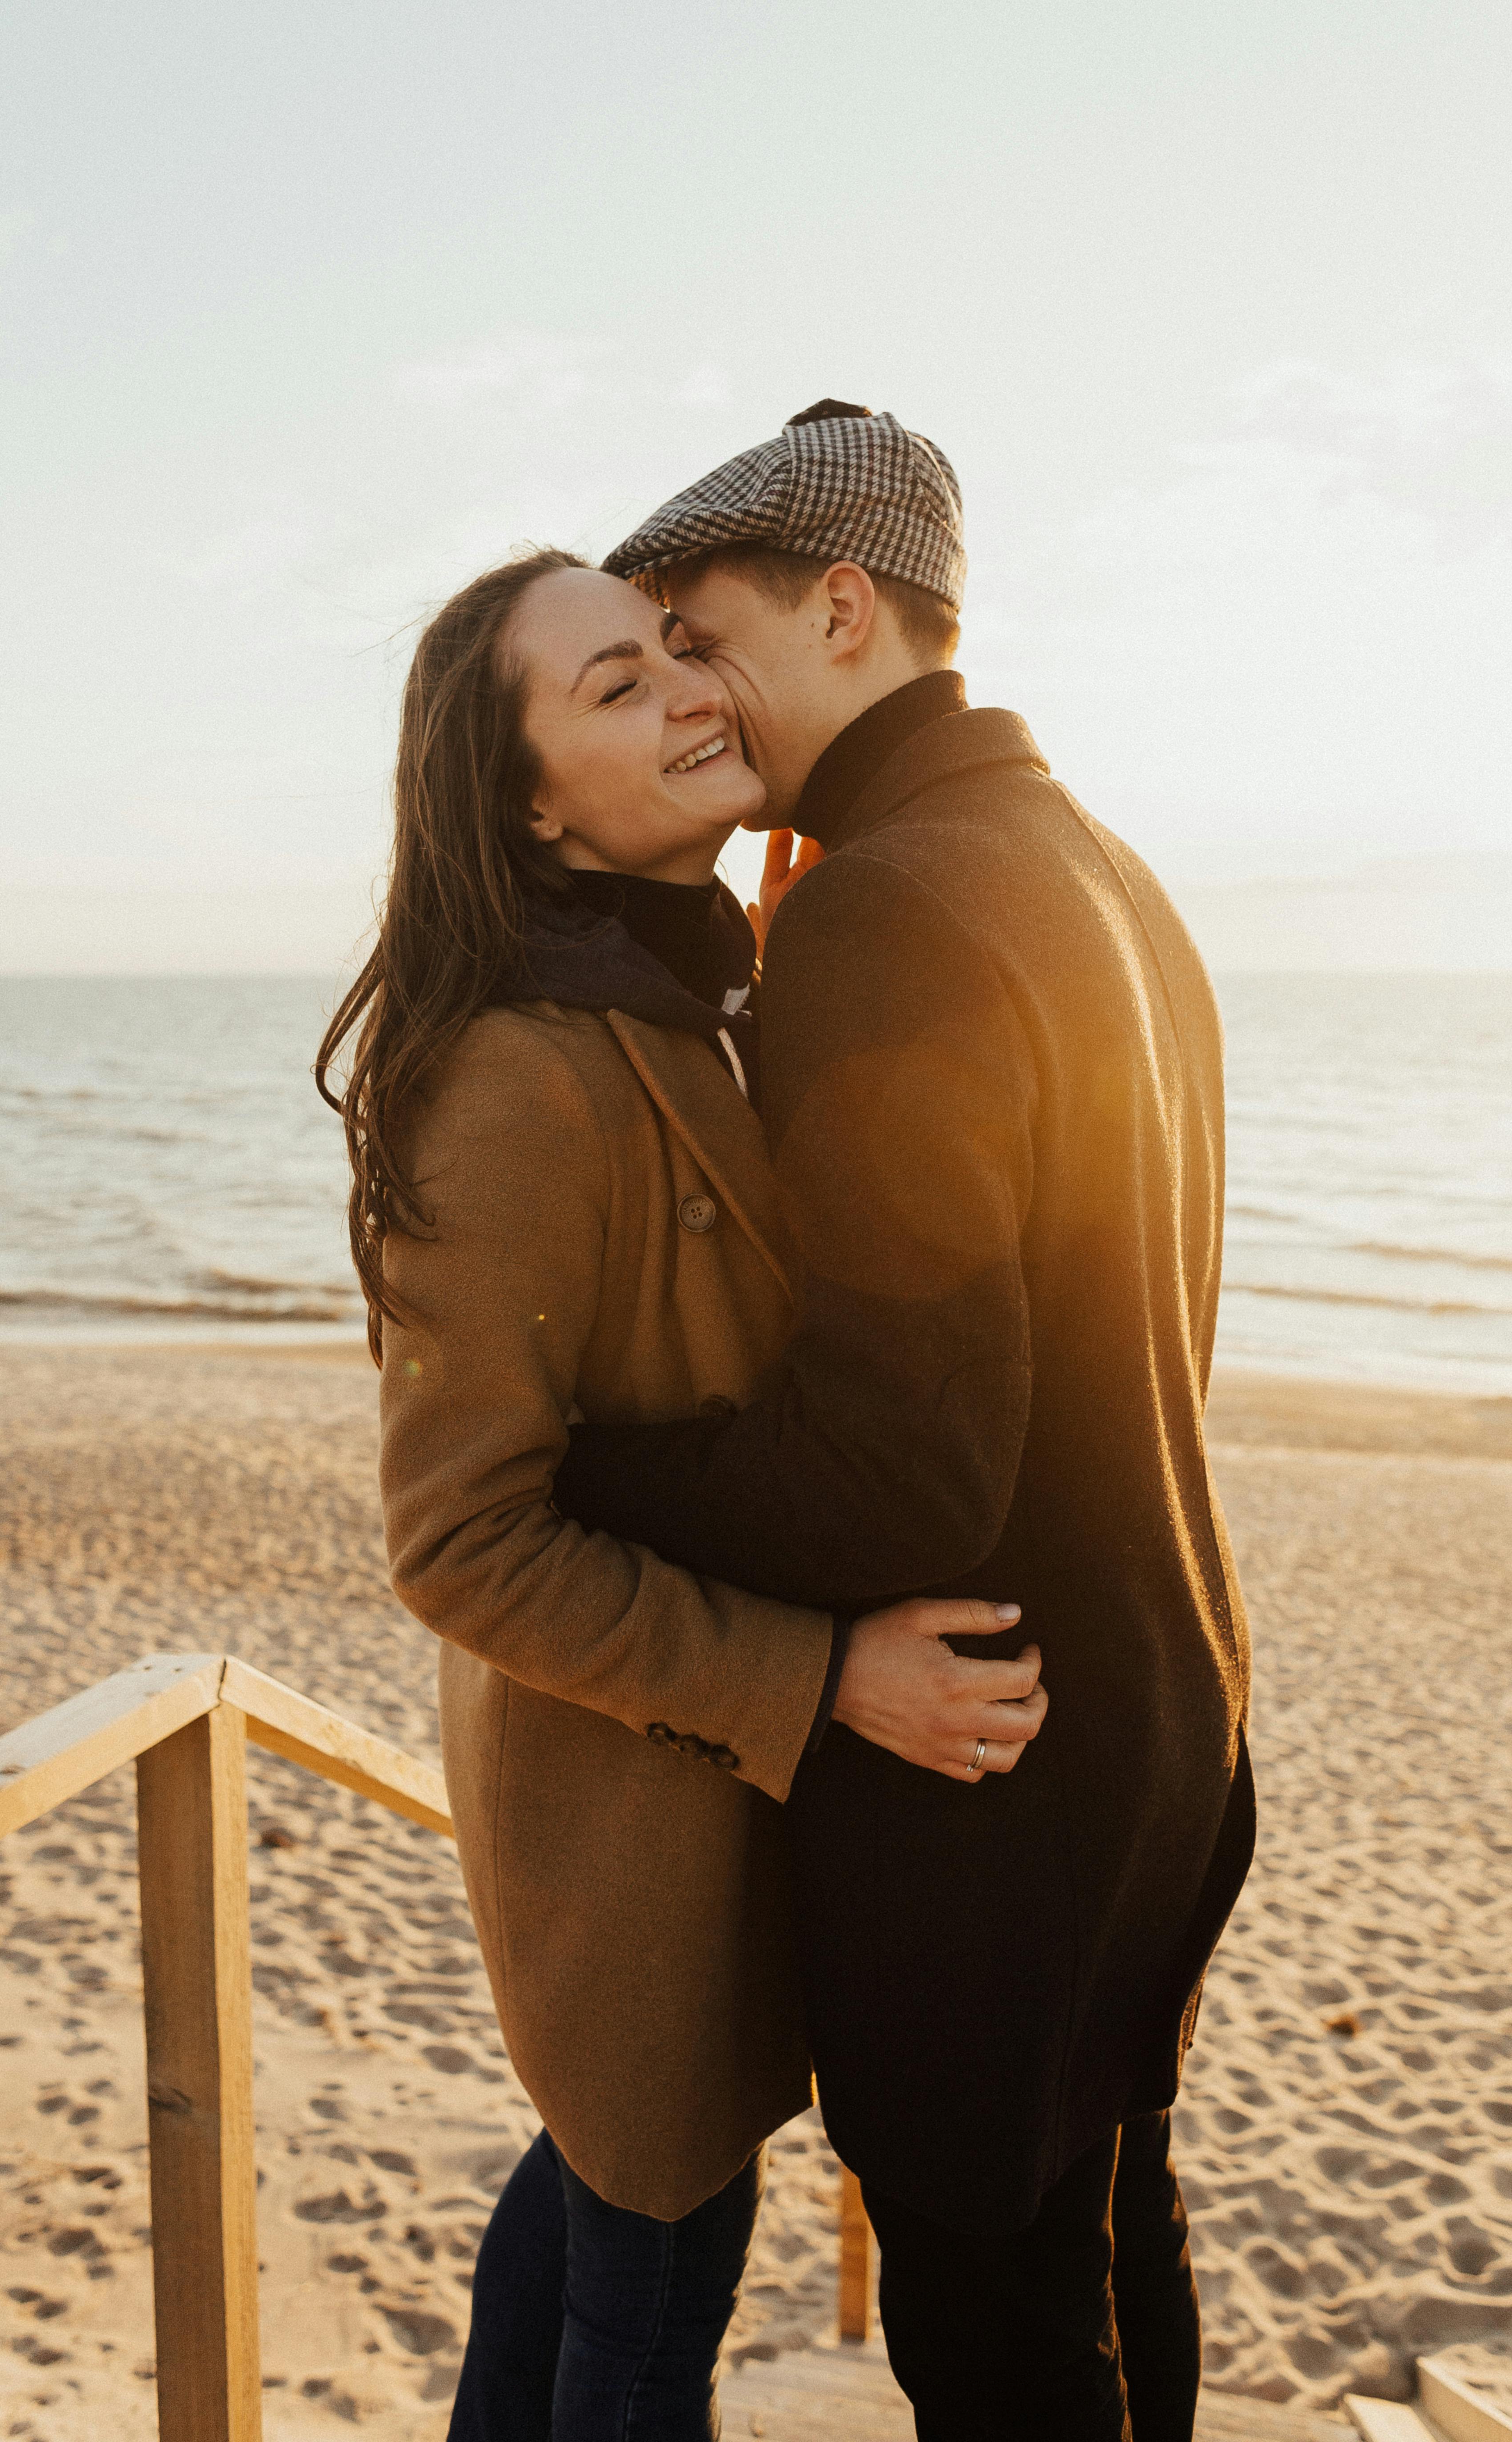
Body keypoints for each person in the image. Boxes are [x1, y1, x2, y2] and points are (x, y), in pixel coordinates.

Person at [550, 401, 1258, 2441]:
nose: (682, 688)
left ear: (843, 609)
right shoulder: (1103, 868)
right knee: (1118, 2250)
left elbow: (899, 1469)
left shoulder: (881, 905)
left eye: (697, 633)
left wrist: (582, 1461)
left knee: (1009, 2354)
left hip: (998, 1784)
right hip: (1169, 1728)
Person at [315, 546, 1048, 2442]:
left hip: (709, 1844)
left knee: (582, 2234)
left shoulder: (678, 991)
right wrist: (823, 1681)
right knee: (645, 2326)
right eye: (614, 691)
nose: (685, 697)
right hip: (639, 1853)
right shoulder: (513, 1080)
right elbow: (459, 1539)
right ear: (530, 803)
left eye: (669, 657)